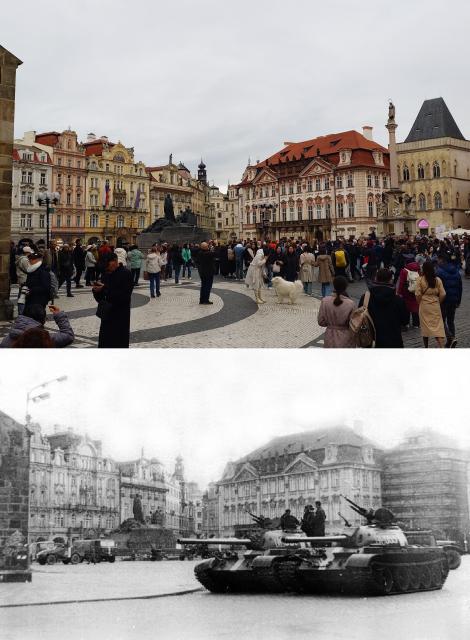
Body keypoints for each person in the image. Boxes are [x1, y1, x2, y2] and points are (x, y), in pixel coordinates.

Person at [92, 253, 134, 348]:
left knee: (118, 342)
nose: (107, 268)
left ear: (115, 261)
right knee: (105, 342)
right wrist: (96, 291)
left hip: (120, 315)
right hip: (107, 315)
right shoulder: (106, 273)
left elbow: (124, 296)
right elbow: (100, 299)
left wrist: (105, 288)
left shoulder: (126, 274)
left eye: (108, 264)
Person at [359, 269, 408, 348]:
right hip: (394, 341)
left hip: (371, 341)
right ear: (390, 280)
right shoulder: (398, 300)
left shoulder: (365, 298)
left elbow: (360, 318)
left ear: (376, 279)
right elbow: (405, 320)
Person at [1, 304, 74, 348]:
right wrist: (58, 314)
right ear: (43, 320)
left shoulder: (6, 340)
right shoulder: (45, 339)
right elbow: (68, 335)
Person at [317, 276, 356, 348]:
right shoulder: (351, 304)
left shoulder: (325, 301)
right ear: (346, 287)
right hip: (346, 338)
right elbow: (353, 324)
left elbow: (321, 321)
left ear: (334, 285)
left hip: (329, 336)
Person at [415, 260, 446, 348]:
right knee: (438, 328)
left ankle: (426, 347)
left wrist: (419, 303)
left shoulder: (420, 279)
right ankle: (442, 347)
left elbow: (417, 294)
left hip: (424, 305)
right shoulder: (437, 280)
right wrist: (438, 302)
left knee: (425, 328)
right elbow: (443, 294)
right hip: (435, 305)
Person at [436, 253, 462, 348]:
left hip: (444, 300)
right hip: (454, 299)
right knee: (451, 321)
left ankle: (450, 337)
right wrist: (458, 300)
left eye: (438, 259)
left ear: (442, 260)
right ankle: (452, 339)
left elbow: (437, 288)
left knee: (441, 320)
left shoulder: (439, 272)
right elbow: (460, 286)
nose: (437, 261)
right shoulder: (456, 271)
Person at [397, 257, 420, 329]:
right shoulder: (418, 269)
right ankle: (416, 324)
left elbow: (401, 282)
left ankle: (406, 323)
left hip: (406, 291)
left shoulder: (404, 271)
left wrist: (399, 292)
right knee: (415, 306)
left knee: (406, 307)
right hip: (416, 290)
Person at [16, 245, 33, 314]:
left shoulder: (21, 258)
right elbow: (28, 269)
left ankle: (22, 311)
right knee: (22, 296)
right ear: (27, 253)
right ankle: (21, 312)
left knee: (22, 295)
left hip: (22, 279)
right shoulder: (24, 260)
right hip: (24, 279)